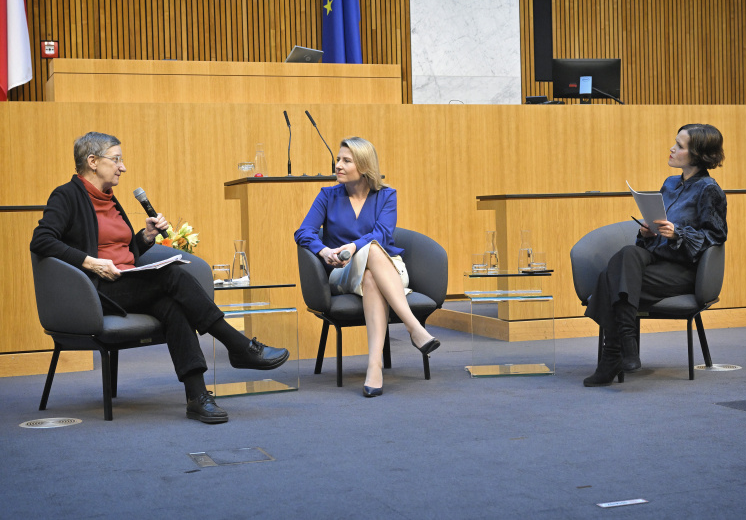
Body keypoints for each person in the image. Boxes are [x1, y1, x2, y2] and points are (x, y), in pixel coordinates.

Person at [30, 132, 290, 423]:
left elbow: (124, 251)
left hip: (128, 283)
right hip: (96, 290)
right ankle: (239, 347)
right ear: (92, 161)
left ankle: (197, 397)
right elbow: (41, 240)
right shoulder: (66, 196)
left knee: (174, 306)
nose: (123, 167)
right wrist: (91, 263)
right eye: (116, 159)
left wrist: (146, 237)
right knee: (173, 275)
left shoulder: (110, 199)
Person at [294, 137, 441, 398]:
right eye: (338, 159)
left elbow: (383, 235)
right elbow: (303, 232)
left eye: (346, 161)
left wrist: (353, 246)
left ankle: (374, 366)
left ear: (363, 166)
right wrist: (325, 251)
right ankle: (414, 328)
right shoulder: (328, 195)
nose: (338, 165)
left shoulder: (386, 195)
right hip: (344, 272)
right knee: (371, 249)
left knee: (372, 269)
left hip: (388, 268)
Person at [583, 124, 727, 387]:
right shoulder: (670, 184)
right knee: (628, 253)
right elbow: (655, 227)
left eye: (680, 146)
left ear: (698, 154)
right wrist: (648, 232)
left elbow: (715, 237)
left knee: (609, 278)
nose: (672, 148)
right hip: (655, 259)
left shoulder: (709, 189)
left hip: (683, 270)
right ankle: (626, 345)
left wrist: (678, 233)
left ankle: (613, 355)